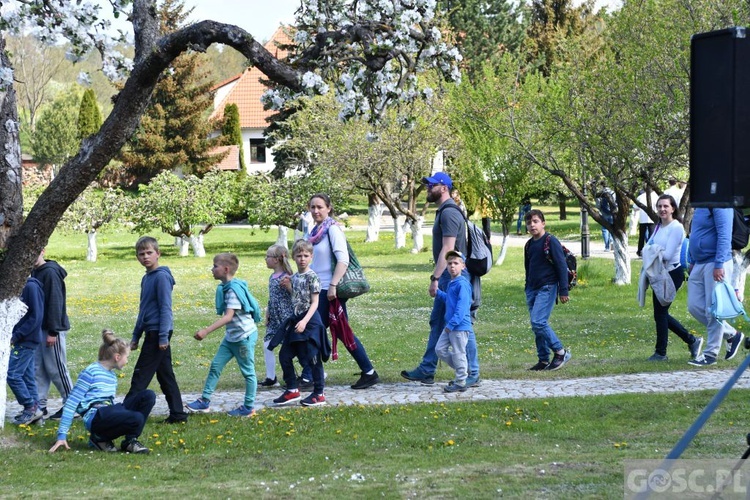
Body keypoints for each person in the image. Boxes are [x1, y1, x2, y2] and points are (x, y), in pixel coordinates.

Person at [401, 172, 481, 386]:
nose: (427, 188)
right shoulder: (444, 212)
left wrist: (435, 277)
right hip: (448, 276)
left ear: (443, 187)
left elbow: (448, 248)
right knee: (437, 321)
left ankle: (472, 373)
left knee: (463, 324)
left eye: (431, 185)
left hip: (452, 276)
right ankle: (427, 369)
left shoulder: (449, 213)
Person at [304, 193, 380, 390]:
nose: (315, 211)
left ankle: (308, 376)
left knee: (314, 330)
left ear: (329, 208)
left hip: (328, 291)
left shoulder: (333, 231)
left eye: (320, 207)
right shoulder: (314, 231)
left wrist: (333, 286)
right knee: (341, 332)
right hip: (316, 289)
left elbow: (343, 260)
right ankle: (369, 372)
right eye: (312, 207)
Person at [49, 329, 154, 454]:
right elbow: (71, 402)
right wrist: (61, 435)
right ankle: (99, 438)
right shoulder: (91, 372)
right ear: (117, 357)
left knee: (148, 396)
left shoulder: (112, 376)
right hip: (95, 417)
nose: (127, 361)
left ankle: (130, 441)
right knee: (136, 418)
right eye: (127, 357)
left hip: (108, 412)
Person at [185, 253, 260, 417]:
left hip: (243, 338)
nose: (212, 269)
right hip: (231, 337)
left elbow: (228, 317)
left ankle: (249, 407)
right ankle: (204, 401)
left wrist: (205, 331)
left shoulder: (233, 290)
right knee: (215, 366)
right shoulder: (226, 288)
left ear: (225, 269)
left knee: (248, 372)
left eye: (215, 266)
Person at [124, 236, 188, 424]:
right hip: (151, 331)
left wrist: (162, 336)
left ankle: (124, 413)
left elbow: (165, 308)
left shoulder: (161, 277)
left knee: (141, 375)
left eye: (149, 253)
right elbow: (144, 310)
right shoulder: (147, 278)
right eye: (141, 254)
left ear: (158, 254)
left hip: (158, 332)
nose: (145, 257)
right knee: (165, 375)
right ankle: (178, 414)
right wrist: (136, 335)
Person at [639, 195, 703, 361]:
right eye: (659, 206)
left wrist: (652, 251)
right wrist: (651, 251)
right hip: (658, 274)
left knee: (660, 313)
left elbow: (666, 255)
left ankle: (661, 353)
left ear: (673, 208)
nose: (662, 209)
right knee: (660, 314)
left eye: (666, 206)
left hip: (672, 274)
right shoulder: (658, 227)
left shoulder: (676, 228)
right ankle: (692, 340)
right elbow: (645, 249)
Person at [270, 239, 329, 407]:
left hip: (310, 322)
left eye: (306, 255)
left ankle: (319, 393)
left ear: (311, 257)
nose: (302, 259)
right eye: (299, 256)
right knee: (285, 355)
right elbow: (296, 297)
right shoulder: (294, 277)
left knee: (313, 358)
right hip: (296, 321)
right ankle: (292, 389)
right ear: (293, 258)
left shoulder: (313, 277)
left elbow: (314, 303)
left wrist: (304, 321)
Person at [687, 207, 744, 366]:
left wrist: (719, 264)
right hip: (699, 262)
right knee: (694, 306)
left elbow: (725, 235)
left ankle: (710, 355)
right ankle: (731, 334)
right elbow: (695, 233)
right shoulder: (701, 204)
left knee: (713, 310)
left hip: (716, 262)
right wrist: (692, 259)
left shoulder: (720, 203)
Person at [524, 209, 572, 371]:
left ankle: (560, 352)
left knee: (538, 321)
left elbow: (561, 265)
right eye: (529, 222)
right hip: (532, 288)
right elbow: (528, 267)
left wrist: (563, 290)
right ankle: (543, 359)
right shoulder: (529, 244)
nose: (532, 225)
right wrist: (527, 286)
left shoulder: (550, 241)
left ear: (543, 223)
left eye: (536, 221)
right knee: (536, 325)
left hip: (548, 286)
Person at [31, 248, 74, 420]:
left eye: (34, 252)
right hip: (38, 329)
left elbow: (56, 302)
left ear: (42, 251)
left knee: (56, 368)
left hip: (51, 329)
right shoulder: (34, 272)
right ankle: (39, 406)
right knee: (38, 369)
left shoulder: (50, 273)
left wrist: (53, 331)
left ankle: (73, 404)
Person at [435, 250, 473, 393]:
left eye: (456, 263)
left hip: (458, 326)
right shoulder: (453, 283)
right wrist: (438, 293)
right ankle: (462, 369)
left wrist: (450, 325)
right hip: (450, 325)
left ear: (463, 266)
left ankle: (461, 381)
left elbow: (462, 308)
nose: (452, 266)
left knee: (458, 353)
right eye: (449, 263)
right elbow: (450, 300)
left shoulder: (462, 284)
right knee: (440, 349)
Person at [9, 276, 45, 425]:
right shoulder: (21, 286)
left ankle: (29, 406)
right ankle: (36, 415)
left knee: (12, 374)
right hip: (25, 339)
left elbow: (35, 317)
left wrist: (16, 335)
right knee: (27, 376)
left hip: (26, 340)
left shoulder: (30, 287)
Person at [260, 244, 295, 388]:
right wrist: (268, 311)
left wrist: (289, 287)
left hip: (285, 317)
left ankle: (311, 371)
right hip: (274, 317)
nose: (265, 259)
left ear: (276, 260)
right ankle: (271, 377)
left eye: (267, 256)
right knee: (267, 344)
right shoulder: (272, 277)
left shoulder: (286, 277)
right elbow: (272, 297)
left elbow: (296, 295)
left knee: (294, 346)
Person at [636, 189, 657, 257]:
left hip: (643, 218)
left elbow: (635, 207)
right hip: (652, 219)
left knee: (641, 236)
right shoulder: (656, 196)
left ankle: (640, 250)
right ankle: (650, 250)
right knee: (652, 235)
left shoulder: (641, 196)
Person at [596, 182, 616, 251]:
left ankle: (607, 247)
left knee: (604, 229)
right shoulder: (613, 193)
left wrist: (600, 210)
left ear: (601, 185)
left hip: (604, 213)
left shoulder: (600, 193)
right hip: (612, 213)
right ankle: (612, 242)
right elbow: (616, 202)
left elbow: (598, 205)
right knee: (612, 228)